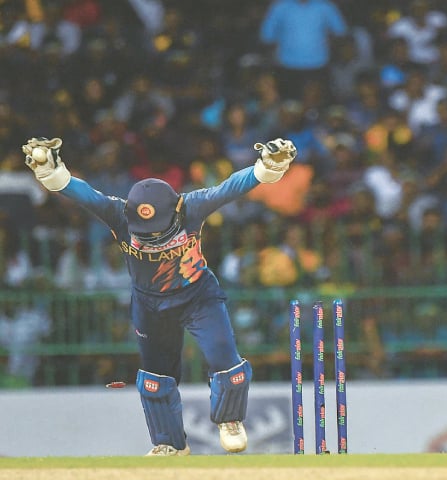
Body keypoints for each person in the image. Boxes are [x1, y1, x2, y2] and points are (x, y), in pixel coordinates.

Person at [20, 135, 297, 456]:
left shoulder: (192, 206)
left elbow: (232, 186)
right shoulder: (118, 213)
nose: (151, 238)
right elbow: (81, 192)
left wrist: (268, 167)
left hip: (198, 296)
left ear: (176, 208)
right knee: (156, 376)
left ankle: (230, 420)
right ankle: (170, 443)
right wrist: (48, 170)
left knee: (224, 358)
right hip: (150, 304)